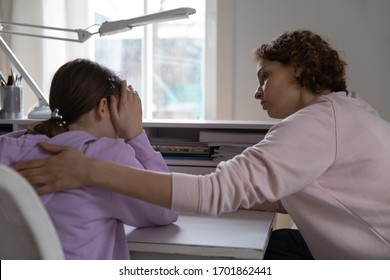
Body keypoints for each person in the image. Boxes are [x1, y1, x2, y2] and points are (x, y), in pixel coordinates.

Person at [12, 30, 390, 259]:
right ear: (105, 107)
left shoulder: (318, 123)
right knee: (278, 244)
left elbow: (213, 194)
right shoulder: (344, 112)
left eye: (265, 76)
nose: (257, 92)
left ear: (300, 69)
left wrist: (90, 170)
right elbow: (270, 192)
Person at [0, 58, 178, 259]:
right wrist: (135, 134)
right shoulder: (105, 156)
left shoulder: (9, 146)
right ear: (103, 107)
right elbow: (166, 208)